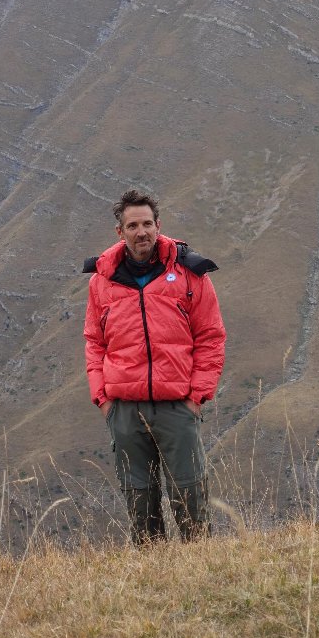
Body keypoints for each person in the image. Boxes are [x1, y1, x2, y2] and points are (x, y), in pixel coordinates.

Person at [84, 188, 226, 544]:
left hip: (177, 405)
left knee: (189, 492)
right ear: (121, 232)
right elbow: (94, 343)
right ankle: (152, 575)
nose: (141, 231)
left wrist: (197, 396)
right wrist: (103, 399)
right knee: (139, 496)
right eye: (132, 225)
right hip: (125, 409)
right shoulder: (101, 280)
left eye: (147, 223)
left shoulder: (191, 274)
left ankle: (200, 570)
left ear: (159, 226)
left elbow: (211, 337)